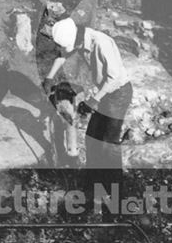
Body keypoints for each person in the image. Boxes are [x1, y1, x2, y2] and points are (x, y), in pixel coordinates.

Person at [42, 18, 133, 219]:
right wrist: (49, 78)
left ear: (76, 38)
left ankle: (117, 196)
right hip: (104, 93)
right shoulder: (78, 39)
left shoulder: (101, 43)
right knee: (92, 138)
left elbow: (114, 78)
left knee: (108, 144)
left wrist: (93, 101)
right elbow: (62, 55)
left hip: (118, 94)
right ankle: (92, 185)